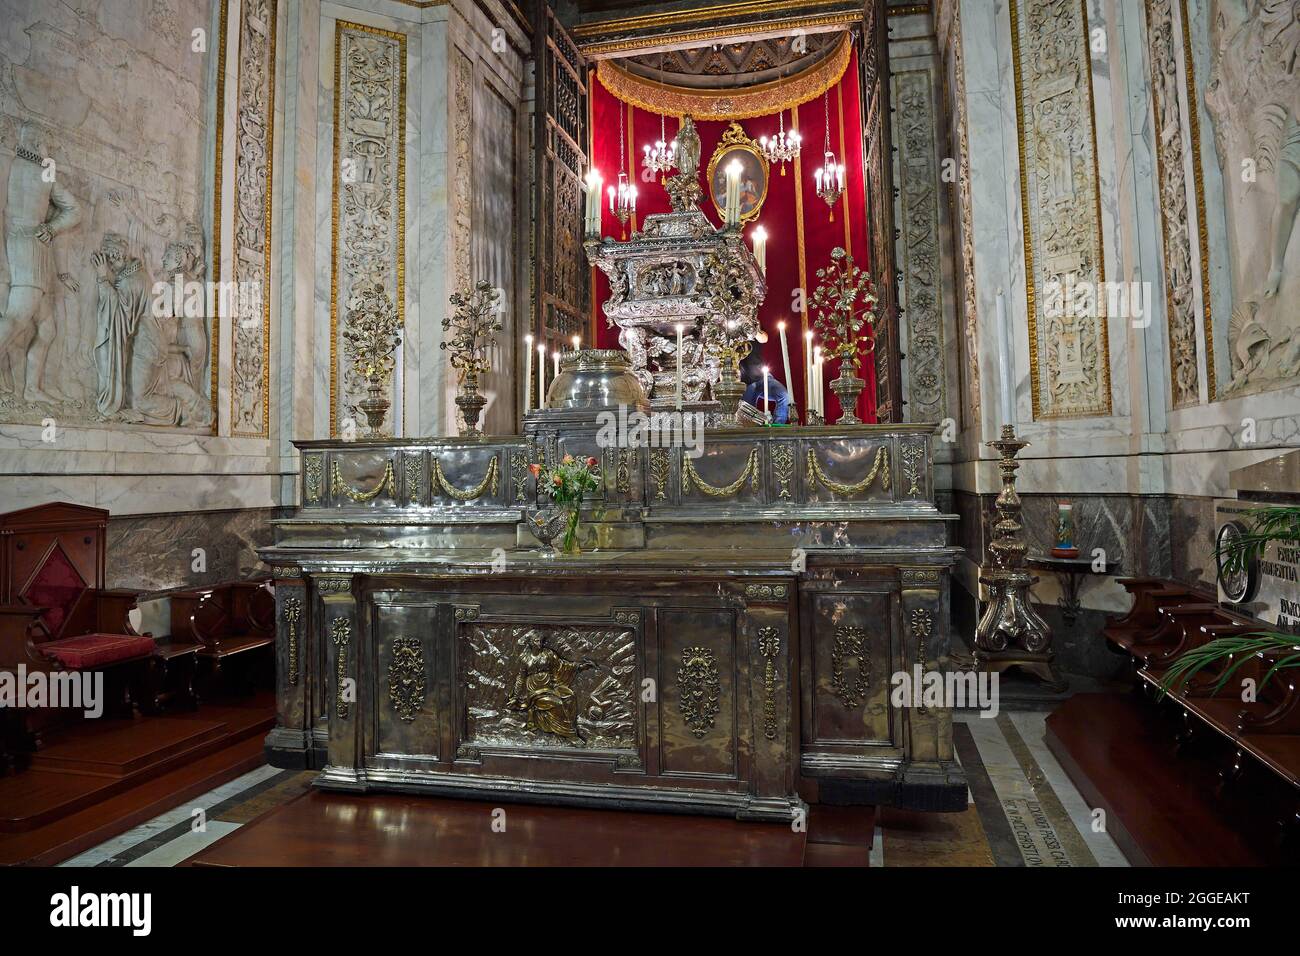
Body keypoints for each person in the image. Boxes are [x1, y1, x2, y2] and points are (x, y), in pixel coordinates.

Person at [738, 346, 790, 423]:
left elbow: (764, 338)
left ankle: (777, 429)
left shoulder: (753, 334)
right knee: (749, 417)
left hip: (763, 377)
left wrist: (752, 333)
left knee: (784, 395)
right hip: (745, 382)